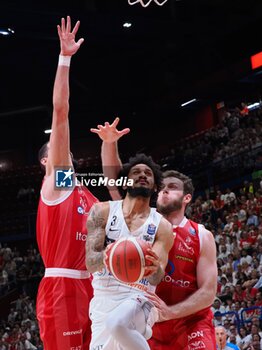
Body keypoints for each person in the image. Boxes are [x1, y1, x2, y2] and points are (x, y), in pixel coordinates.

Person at [91, 120, 218, 349]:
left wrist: (172, 312)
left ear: (186, 198)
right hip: (150, 320)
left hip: (189, 321)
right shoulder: (142, 217)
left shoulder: (201, 235)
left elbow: (208, 292)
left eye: (173, 187)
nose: (165, 191)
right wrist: (110, 144)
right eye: (163, 187)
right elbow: (116, 181)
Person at [36, 17, 98, 350]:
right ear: (47, 163)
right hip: (62, 288)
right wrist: (65, 59)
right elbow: (61, 112)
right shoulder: (57, 182)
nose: (68, 154)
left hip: (93, 287)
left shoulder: (85, 192)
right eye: (61, 152)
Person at [85, 153, 174, 350]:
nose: (142, 175)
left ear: (155, 186)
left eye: (148, 173)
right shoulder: (101, 211)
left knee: (117, 323)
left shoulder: (163, 226)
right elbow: (90, 263)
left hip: (140, 295)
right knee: (113, 324)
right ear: (124, 183)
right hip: (103, 298)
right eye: (136, 172)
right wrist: (108, 256)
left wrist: (152, 267)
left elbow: (157, 277)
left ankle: (142, 326)